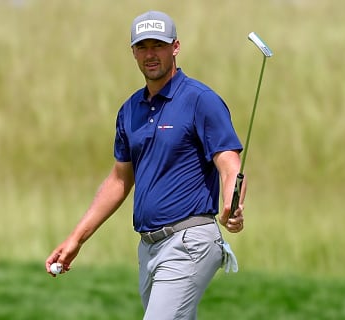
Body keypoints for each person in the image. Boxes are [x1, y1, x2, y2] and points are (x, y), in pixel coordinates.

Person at [46, 10, 247, 319]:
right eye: (143, 47)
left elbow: (229, 164)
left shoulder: (200, 100)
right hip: (149, 248)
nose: (150, 54)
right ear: (133, 52)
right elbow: (119, 181)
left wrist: (233, 205)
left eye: (159, 45)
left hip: (189, 240)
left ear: (175, 47)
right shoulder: (129, 111)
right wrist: (76, 239)